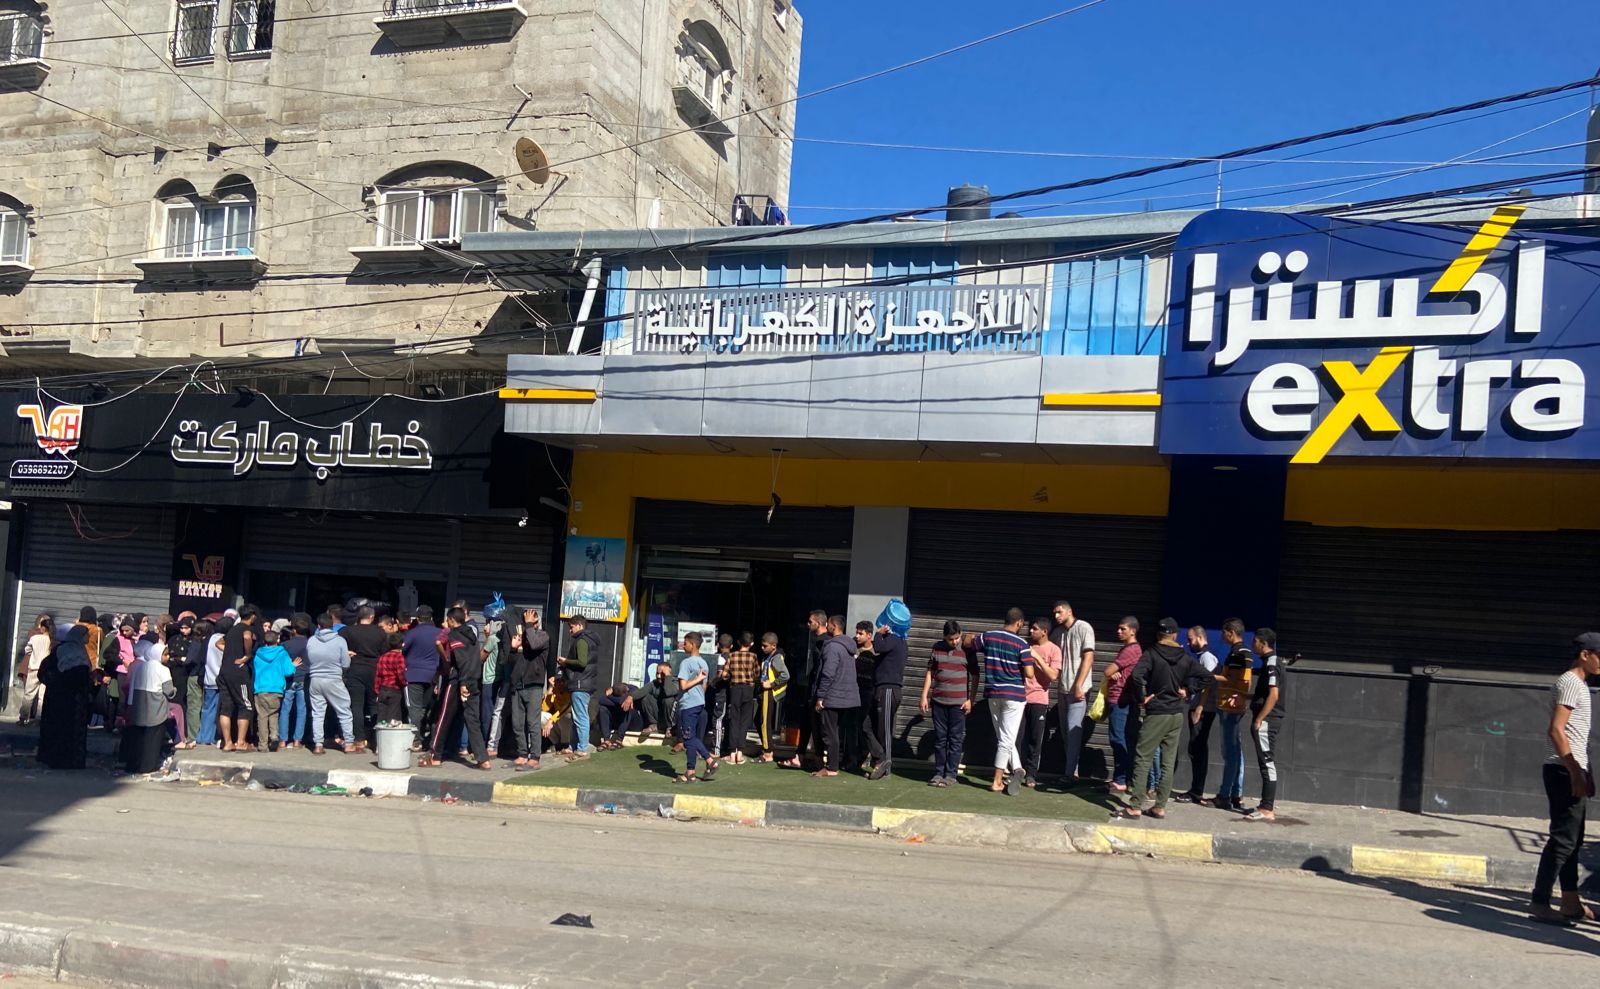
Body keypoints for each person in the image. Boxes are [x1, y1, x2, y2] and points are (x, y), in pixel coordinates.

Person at [1530, 632, 1599, 925]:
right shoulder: (1570, 682)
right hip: (1562, 769)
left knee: (1573, 839)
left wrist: (1585, 772)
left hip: (1571, 768)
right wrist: (1574, 772)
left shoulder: (1579, 684)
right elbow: (1557, 730)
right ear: (1585, 654)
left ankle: (1571, 903)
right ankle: (1540, 902)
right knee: (1562, 840)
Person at [1120, 618, 1210, 819]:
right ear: (1175, 635)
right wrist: (1188, 690)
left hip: (1157, 713)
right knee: (1168, 762)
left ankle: (1135, 805)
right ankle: (1160, 806)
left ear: (1158, 635)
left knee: (1143, 757)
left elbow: (1136, 676)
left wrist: (1142, 697)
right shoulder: (1185, 658)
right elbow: (1208, 677)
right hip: (1176, 714)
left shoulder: (1151, 654)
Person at [973, 608, 1035, 796]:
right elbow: (1030, 674)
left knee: (1003, 737)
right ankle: (997, 781)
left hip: (993, 693)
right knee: (1007, 739)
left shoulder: (989, 636)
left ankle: (1017, 768)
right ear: (1018, 623)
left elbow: (971, 642)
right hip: (1014, 696)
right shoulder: (1021, 644)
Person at [920, 620, 976, 788]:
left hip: (959, 704)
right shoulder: (937, 647)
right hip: (938, 701)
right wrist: (924, 696)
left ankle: (951, 774)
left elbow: (975, 676)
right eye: (951, 639)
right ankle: (938, 772)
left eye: (957, 638)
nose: (954, 642)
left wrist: (970, 700)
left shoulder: (967, 649)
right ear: (944, 637)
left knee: (955, 739)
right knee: (940, 739)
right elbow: (930, 671)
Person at [1207, 618, 1253, 811]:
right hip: (1238, 705)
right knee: (1237, 752)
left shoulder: (1236, 654)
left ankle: (1225, 795)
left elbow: (1230, 678)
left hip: (1229, 706)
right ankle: (1236, 793)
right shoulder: (1247, 653)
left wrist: (1207, 675)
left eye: (1224, 632)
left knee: (1230, 753)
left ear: (1231, 632)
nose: (1221, 636)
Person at [1050, 601, 1096, 784]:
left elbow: (1089, 657)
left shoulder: (1084, 627)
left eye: (1059, 612)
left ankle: (1070, 775)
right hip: (1062, 689)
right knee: (1065, 732)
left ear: (1070, 611)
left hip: (1078, 690)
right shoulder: (1058, 633)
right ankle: (1072, 771)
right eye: (1054, 613)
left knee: (1073, 729)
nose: (1056, 616)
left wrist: (1079, 685)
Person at [1173, 626, 1220, 804]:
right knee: (1195, 748)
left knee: (1198, 748)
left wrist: (1199, 707)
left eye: (1191, 639)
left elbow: (1209, 683)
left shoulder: (1207, 658)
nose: (1188, 642)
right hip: (1198, 707)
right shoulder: (1202, 657)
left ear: (1200, 638)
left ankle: (1196, 791)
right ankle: (1195, 789)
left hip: (1203, 710)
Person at [37, 625, 93, 770]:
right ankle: (70, 761)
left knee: (58, 728)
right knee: (71, 731)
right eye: (86, 635)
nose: (88, 638)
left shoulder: (61, 650)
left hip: (56, 698)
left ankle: (54, 759)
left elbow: (45, 670)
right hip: (73, 700)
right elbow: (80, 676)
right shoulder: (77, 652)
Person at [1244, 628, 1284, 822]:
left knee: (1267, 762)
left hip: (1267, 720)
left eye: (1254, 642)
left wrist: (1260, 719)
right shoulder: (1271, 662)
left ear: (1262, 642)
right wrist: (1247, 697)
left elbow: (1274, 695)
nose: (1253, 645)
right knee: (1265, 762)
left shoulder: (1271, 663)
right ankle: (1265, 804)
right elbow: (1265, 694)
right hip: (1267, 718)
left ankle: (1267, 807)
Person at [782, 609, 831, 770]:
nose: (808, 624)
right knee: (806, 723)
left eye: (810, 622)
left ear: (818, 622)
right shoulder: (814, 640)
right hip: (810, 688)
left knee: (818, 726)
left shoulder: (825, 643)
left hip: (819, 691)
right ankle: (801, 755)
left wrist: (821, 693)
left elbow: (825, 670)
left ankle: (819, 759)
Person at [812, 616, 859, 778]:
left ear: (833, 626)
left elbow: (827, 673)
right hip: (848, 697)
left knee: (829, 733)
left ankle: (832, 767)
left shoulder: (832, 647)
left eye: (829, 624)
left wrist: (820, 697)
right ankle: (838, 763)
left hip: (832, 696)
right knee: (838, 732)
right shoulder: (850, 647)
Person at [443, 607, 490, 769]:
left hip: (463, 681)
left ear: (451, 620)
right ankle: (481, 758)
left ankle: (437, 752)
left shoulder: (455, 636)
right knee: (471, 719)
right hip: (475, 679)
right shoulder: (472, 635)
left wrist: (463, 683)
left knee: (446, 717)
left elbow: (462, 661)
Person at [122, 637, 176, 774]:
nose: (168, 657)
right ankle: (148, 766)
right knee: (153, 739)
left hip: (139, 704)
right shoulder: (163, 670)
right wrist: (174, 690)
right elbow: (169, 691)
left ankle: (133, 765)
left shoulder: (141, 667)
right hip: (156, 705)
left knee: (139, 738)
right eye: (165, 654)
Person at [672, 630, 719, 783]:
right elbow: (704, 686)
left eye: (685, 643)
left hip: (689, 704)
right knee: (690, 739)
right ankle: (690, 771)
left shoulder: (686, 663)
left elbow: (683, 685)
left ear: (692, 645)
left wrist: (696, 679)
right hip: (699, 703)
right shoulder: (704, 663)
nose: (682, 645)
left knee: (688, 737)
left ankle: (710, 760)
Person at [1102, 617, 1143, 793]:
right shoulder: (1127, 649)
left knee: (1118, 739)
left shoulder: (1131, 650)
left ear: (1133, 631)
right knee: (1121, 738)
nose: (1119, 632)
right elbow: (1112, 673)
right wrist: (1114, 673)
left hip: (1121, 701)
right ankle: (1122, 777)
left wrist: (1113, 672)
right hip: (1121, 700)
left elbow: (1107, 670)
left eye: (1123, 629)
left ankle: (1121, 779)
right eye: (1118, 629)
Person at [305, 613, 355, 756]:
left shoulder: (311, 641)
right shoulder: (340, 641)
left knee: (318, 713)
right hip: (333, 679)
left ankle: (318, 745)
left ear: (319, 626)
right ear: (332, 626)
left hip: (315, 679)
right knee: (344, 711)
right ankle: (349, 744)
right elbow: (345, 663)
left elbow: (309, 659)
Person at [1021, 617, 1062, 789]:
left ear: (1044, 631)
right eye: (1031, 628)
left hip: (1039, 700)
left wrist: (1037, 657)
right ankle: (1016, 771)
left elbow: (1053, 676)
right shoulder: (1024, 645)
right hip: (1020, 698)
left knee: (1035, 739)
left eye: (1035, 629)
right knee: (1018, 738)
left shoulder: (1054, 650)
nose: (1031, 631)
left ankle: (1031, 775)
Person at [865, 618, 908, 781]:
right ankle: (881, 759)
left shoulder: (895, 640)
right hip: (881, 689)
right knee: (867, 725)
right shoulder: (898, 642)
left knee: (884, 730)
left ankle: (885, 766)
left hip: (889, 689)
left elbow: (878, 646)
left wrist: (878, 633)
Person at [340, 605, 387, 752]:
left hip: (355, 668)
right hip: (374, 669)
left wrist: (347, 652)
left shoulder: (348, 631)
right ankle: (376, 740)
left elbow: (338, 645)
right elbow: (384, 652)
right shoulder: (380, 633)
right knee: (374, 704)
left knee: (356, 705)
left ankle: (359, 739)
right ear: (372, 617)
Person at [508, 609, 550, 769]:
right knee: (517, 723)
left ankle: (535, 757)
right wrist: (513, 648)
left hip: (534, 685)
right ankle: (522, 754)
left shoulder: (542, 636)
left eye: (531, 620)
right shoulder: (522, 637)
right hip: (518, 684)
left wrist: (529, 626)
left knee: (532, 722)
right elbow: (510, 662)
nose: (527, 624)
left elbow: (534, 644)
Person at [217, 607, 258, 752]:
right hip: (238, 672)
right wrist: (247, 655)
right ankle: (241, 742)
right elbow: (247, 637)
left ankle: (227, 742)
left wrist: (230, 651)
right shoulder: (246, 629)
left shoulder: (232, 630)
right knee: (246, 705)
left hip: (224, 670)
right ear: (252, 616)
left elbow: (218, 643)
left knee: (226, 707)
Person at [560, 615, 601, 759]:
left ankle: (582, 747)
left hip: (580, 683)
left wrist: (565, 661)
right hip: (586, 683)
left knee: (580, 717)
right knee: (576, 716)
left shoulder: (582, 640)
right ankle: (573, 745)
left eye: (571, 627)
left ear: (579, 625)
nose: (570, 631)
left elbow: (582, 662)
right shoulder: (590, 639)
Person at [251, 629, 296, 752]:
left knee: (262, 716)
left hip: (260, 688)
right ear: (278, 640)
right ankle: (274, 736)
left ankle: (263, 744)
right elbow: (288, 671)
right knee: (274, 714)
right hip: (276, 689)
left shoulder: (258, 654)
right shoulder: (282, 653)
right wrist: (293, 666)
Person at [401, 605, 440, 747]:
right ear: (431, 617)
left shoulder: (412, 633)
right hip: (433, 675)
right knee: (425, 707)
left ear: (417, 618)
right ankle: (423, 735)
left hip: (413, 675)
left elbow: (401, 649)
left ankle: (415, 739)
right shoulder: (440, 633)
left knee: (414, 708)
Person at [721, 631, 759, 763]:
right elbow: (757, 673)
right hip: (748, 689)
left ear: (738, 643)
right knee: (744, 721)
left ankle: (732, 753)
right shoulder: (753, 656)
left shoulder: (732, 656)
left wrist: (731, 676)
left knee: (734, 719)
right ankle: (740, 753)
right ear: (752, 644)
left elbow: (724, 675)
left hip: (735, 689)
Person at [756, 632, 790, 763]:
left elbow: (785, 675)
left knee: (764, 722)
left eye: (765, 646)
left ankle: (768, 752)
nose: (762, 648)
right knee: (758, 720)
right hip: (763, 691)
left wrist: (771, 684)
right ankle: (767, 746)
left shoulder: (776, 658)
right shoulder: (768, 657)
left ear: (773, 646)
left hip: (768, 692)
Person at [279, 615, 311, 749]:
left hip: (289, 679)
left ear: (295, 631)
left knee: (285, 710)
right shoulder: (311, 643)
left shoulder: (285, 645)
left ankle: (282, 740)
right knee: (301, 710)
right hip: (304, 679)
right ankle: (297, 740)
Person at [634, 655, 681, 743]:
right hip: (660, 717)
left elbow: (668, 692)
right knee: (646, 697)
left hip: (673, 720)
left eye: (662, 674)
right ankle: (653, 725)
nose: (659, 676)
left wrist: (667, 677)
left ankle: (670, 728)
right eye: (657, 673)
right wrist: (630, 697)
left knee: (668, 700)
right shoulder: (654, 683)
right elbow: (641, 691)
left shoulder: (676, 683)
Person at [18, 614, 53, 726]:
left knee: (29, 695)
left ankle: (23, 718)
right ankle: (39, 719)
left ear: (42, 628)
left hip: (33, 669)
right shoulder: (51, 640)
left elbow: (27, 650)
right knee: (42, 696)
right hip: (46, 670)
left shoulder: (34, 638)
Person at [374, 631, 408, 725]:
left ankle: (380, 736)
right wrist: (405, 683)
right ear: (402, 644)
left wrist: (377, 690)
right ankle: (391, 737)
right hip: (395, 689)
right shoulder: (399, 657)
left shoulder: (382, 657)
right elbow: (400, 673)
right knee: (393, 716)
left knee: (381, 715)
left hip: (383, 689)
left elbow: (378, 674)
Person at [597, 681, 636, 750]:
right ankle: (606, 740)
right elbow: (601, 700)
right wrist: (611, 697)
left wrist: (609, 696)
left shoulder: (631, 689)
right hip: (617, 721)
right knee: (603, 709)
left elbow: (621, 702)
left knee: (627, 708)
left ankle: (619, 740)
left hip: (634, 723)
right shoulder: (611, 693)